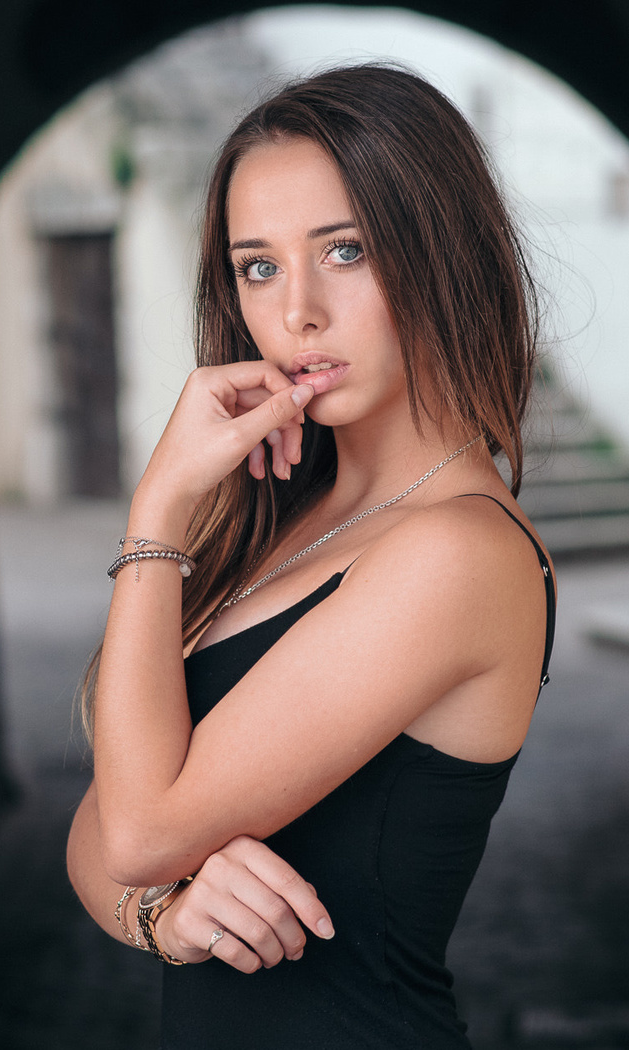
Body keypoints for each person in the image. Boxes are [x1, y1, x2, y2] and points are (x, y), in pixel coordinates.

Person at [65, 64, 555, 1049]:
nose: (298, 312)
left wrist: (156, 505)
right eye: (259, 266)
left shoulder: (460, 552)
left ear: (439, 252)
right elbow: (100, 830)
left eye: (345, 250)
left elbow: (140, 832)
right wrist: (162, 915)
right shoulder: (274, 517)